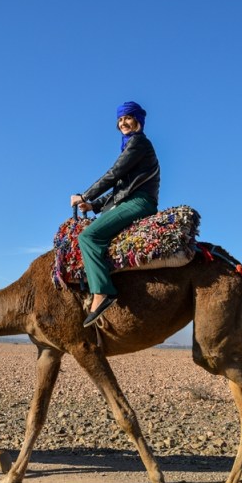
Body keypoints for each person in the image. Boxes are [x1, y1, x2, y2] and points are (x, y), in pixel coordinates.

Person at [69, 101, 160, 327]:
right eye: (120, 120)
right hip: (129, 201)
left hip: (139, 203)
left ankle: (101, 292)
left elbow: (114, 174)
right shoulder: (131, 146)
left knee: (88, 237)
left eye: (128, 118)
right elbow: (121, 187)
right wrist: (94, 207)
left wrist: (84, 195)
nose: (123, 123)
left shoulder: (138, 143)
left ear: (138, 121)